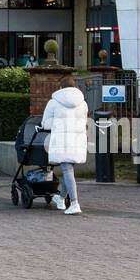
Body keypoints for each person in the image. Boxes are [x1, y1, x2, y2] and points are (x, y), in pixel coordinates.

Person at [40, 86, 88, 215]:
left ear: (61, 88)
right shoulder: (83, 103)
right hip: (77, 140)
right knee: (69, 171)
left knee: (67, 170)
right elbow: (84, 121)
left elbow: (46, 124)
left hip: (62, 140)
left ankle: (74, 203)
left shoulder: (53, 102)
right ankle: (60, 198)